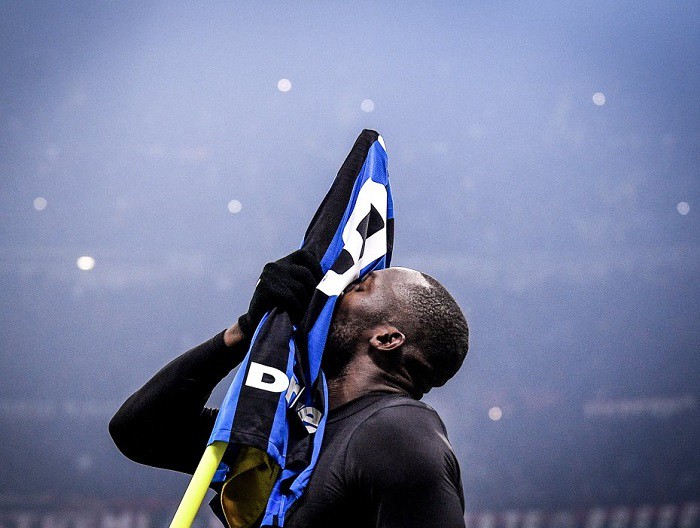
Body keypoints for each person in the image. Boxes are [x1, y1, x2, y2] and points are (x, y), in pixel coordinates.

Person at [110, 249, 469, 528]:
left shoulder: (396, 433)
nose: (336, 290)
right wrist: (247, 331)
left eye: (360, 288)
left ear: (386, 339)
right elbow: (139, 431)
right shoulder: (291, 431)